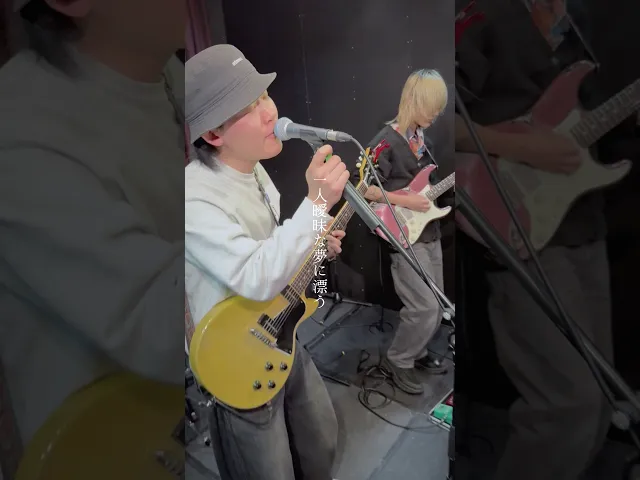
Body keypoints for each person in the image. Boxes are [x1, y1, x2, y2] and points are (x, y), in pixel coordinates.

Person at [0, 0, 187, 476]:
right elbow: (165, 324)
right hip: (113, 454)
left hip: (195, 417)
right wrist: (305, 225)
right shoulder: (20, 132)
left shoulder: (165, 73)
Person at [455, 0, 613, 478]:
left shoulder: (583, 21)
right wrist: (526, 147)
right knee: (567, 404)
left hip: (582, 220)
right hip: (517, 225)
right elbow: (438, 123)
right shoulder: (483, 19)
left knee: (600, 395)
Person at [184, 44, 348, 480]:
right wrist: (316, 205)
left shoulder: (254, 169)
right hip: (234, 355)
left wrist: (316, 244)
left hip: (277, 330)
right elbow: (254, 275)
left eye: (264, 96)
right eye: (248, 107)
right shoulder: (191, 198)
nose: (270, 112)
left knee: (320, 439)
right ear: (214, 135)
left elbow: (271, 250)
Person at [362, 69, 453, 395]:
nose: (436, 114)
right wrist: (407, 201)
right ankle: (399, 360)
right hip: (402, 234)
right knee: (424, 307)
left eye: (439, 108)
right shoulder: (385, 141)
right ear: (414, 100)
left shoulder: (424, 141)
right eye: (432, 106)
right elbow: (363, 188)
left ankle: (418, 349)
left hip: (428, 231)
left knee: (436, 303)